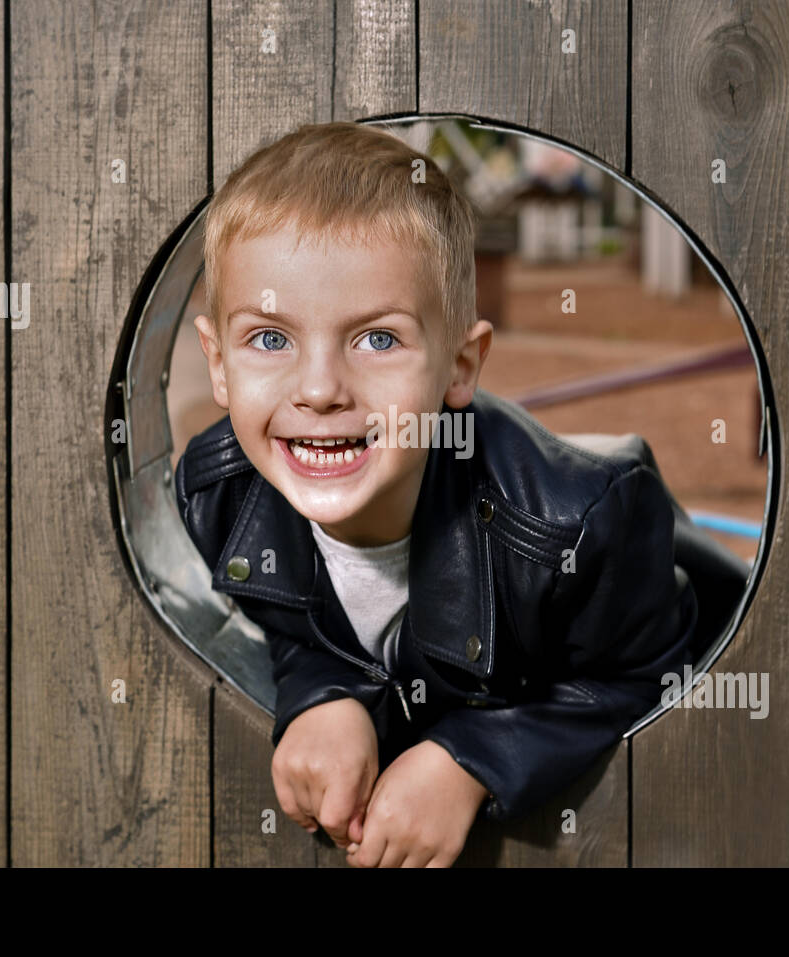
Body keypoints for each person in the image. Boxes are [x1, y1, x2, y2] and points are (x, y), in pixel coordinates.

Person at [175, 121, 700, 867]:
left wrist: (473, 756)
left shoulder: (572, 529)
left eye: (377, 339)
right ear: (217, 364)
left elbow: (648, 674)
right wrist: (323, 694)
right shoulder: (219, 499)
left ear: (460, 365)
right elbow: (284, 623)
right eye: (269, 338)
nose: (319, 389)